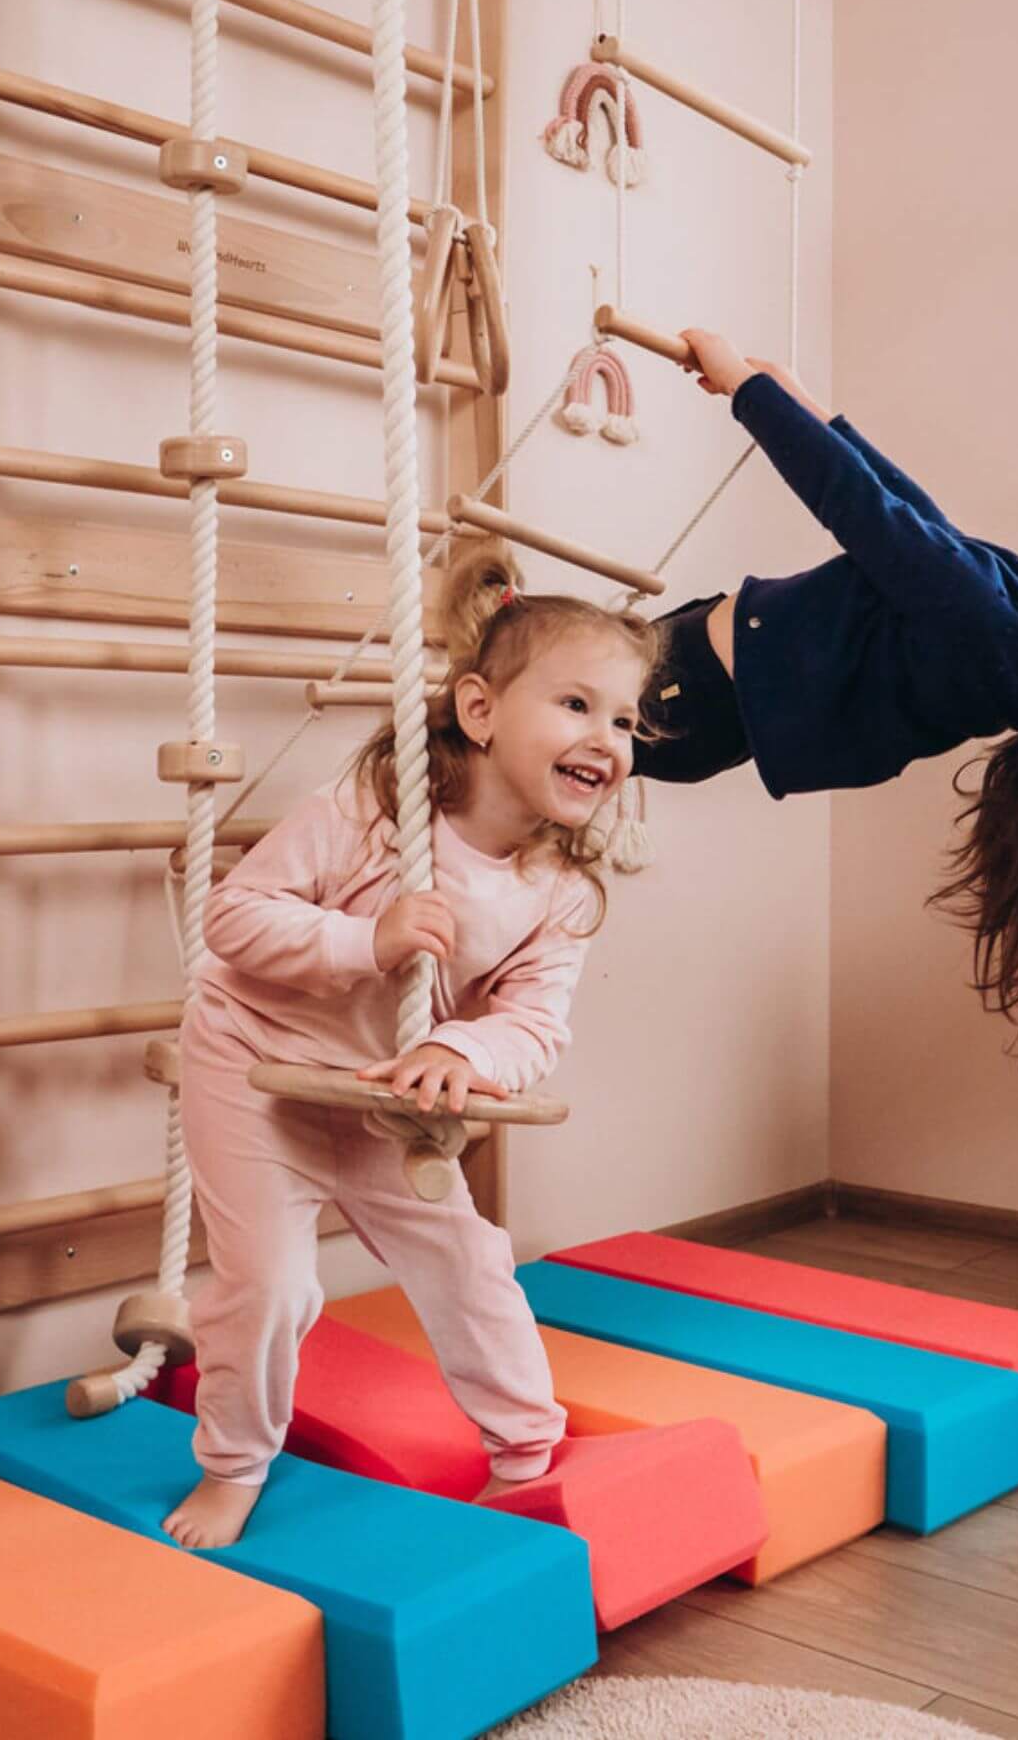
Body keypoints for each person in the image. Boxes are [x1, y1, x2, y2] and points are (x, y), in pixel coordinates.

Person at [161, 544, 663, 1548]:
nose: (606, 739)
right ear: (480, 713)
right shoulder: (375, 811)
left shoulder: (559, 891)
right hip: (257, 1066)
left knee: (472, 1262)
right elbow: (233, 916)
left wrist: (465, 1057)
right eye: (577, 706)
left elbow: (533, 1021)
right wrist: (363, 940)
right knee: (270, 1284)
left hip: (383, 1093)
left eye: (624, 720)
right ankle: (234, 1466)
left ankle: (524, 1453)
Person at [634, 330, 1018, 1076]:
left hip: (682, 696)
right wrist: (807, 409)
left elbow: (867, 517)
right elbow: (921, 527)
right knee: (499, 698)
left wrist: (749, 397)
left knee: (492, 721)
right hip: (695, 673)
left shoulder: (999, 646)